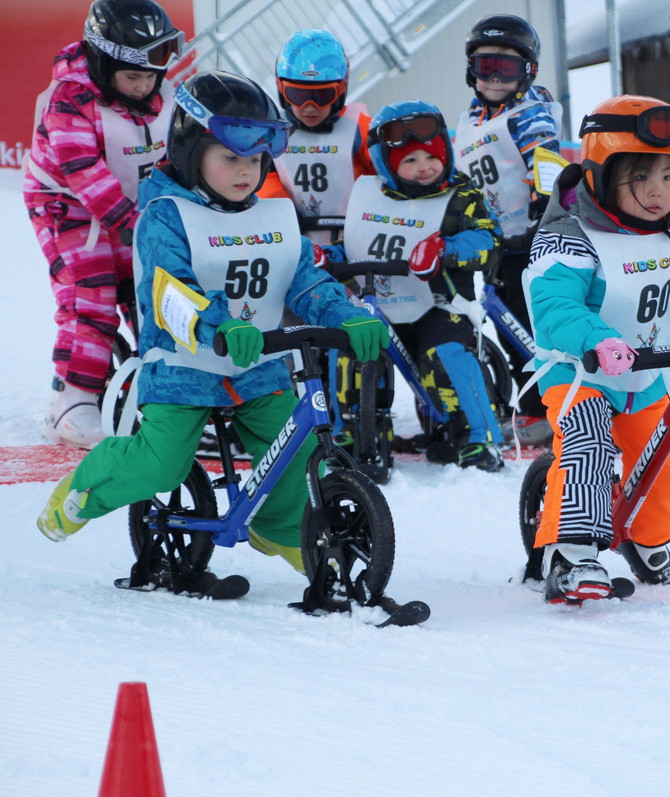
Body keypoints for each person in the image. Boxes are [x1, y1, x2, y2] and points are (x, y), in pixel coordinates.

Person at [36, 70, 389, 584]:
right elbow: (171, 290)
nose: (246, 171)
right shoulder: (165, 217)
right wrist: (216, 326)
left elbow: (306, 282)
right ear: (190, 152)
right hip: (182, 367)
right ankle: (84, 491)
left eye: (256, 160)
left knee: (299, 448)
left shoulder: (274, 218)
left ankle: (279, 529)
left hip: (259, 365)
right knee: (162, 465)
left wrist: (347, 315)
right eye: (231, 158)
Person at [523, 95, 670, 604]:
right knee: (588, 442)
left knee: (667, 455)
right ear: (602, 175)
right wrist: (595, 339)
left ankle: (648, 536)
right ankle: (571, 555)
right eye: (640, 177)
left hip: (644, 372)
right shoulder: (570, 236)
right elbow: (556, 304)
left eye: (669, 176)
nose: (658, 191)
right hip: (579, 372)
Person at [24, 0, 183, 450]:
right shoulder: (69, 100)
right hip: (67, 204)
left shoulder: (163, 95)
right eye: (133, 76)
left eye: (152, 75)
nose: (144, 85)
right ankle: (71, 404)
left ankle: (172, 390)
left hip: (134, 203)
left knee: (156, 289)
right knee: (91, 295)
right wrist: (138, 227)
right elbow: (86, 176)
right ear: (102, 62)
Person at [327, 99, 505, 472]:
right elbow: (355, 241)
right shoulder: (369, 195)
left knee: (445, 355)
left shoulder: (461, 195)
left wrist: (446, 249)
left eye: (431, 157)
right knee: (349, 348)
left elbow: (489, 240)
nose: (424, 167)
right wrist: (327, 256)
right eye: (409, 160)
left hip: (441, 305)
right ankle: (353, 432)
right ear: (386, 164)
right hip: (379, 303)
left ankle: (477, 437)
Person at [454, 14, 562, 446]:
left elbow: (546, 164)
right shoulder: (472, 119)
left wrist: (542, 212)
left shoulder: (529, 114)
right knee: (504, 322)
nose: (495, 78)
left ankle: (547, 407)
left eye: (507, 67)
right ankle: (532, 403)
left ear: (528, 71)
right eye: (486, 67)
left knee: (528, 326)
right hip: (494, 241)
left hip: (528, 241)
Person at [260, 29, 375, 246]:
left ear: (340, 90)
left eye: (322, 96)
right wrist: (280, 206)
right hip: (297, 243)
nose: (309, 107)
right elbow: (261, 177)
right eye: (297, 95)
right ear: (281, 90)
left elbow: (389, 171)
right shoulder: (273, 133)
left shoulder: (358, 127)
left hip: (356, 242)